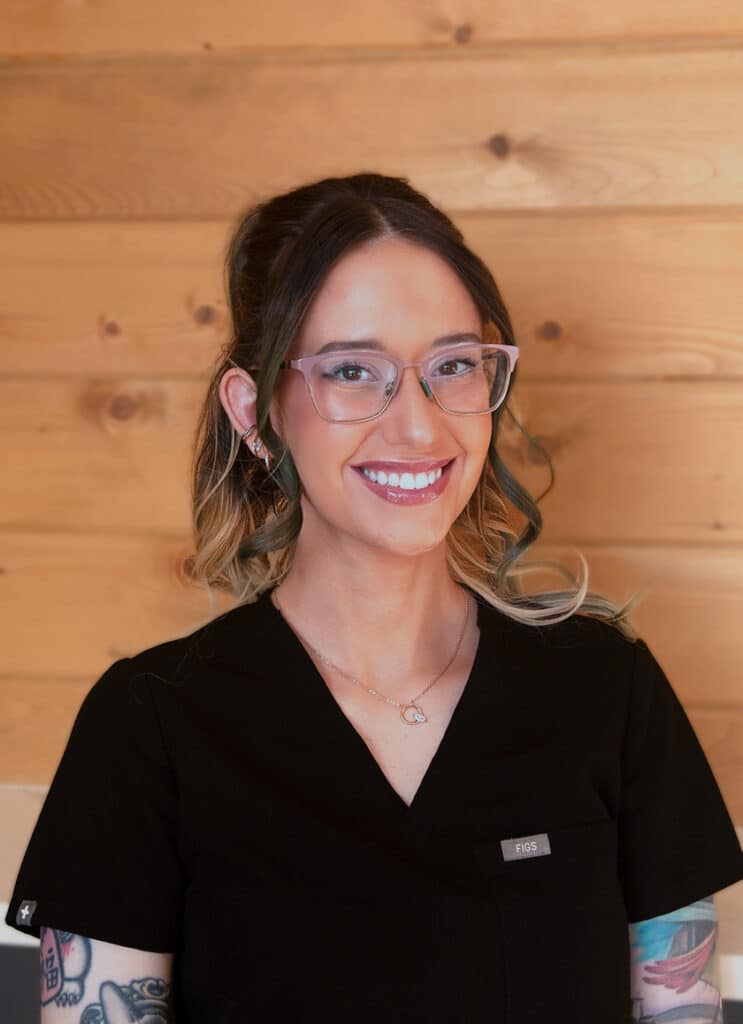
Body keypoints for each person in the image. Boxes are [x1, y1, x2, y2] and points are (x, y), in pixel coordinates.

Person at [6, 173, 743, 1023]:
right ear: (254, 412)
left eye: (453, 366)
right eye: (353, 371)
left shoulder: (607, 690)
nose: (419, 426)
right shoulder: (149, 726)